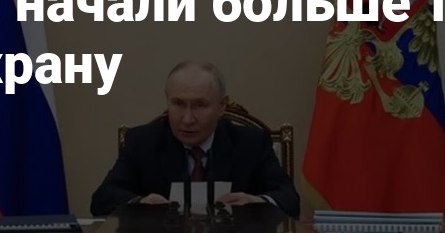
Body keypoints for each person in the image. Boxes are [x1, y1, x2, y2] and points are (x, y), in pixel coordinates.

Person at [90, 60, 300, 217]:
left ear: (222, 105)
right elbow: (102, 200)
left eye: (200, 105)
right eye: (178, 104)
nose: (187, 119)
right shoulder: (142, 142)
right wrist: (139, 203)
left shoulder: (251, 143)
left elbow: (290, 200)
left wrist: (257, 202)